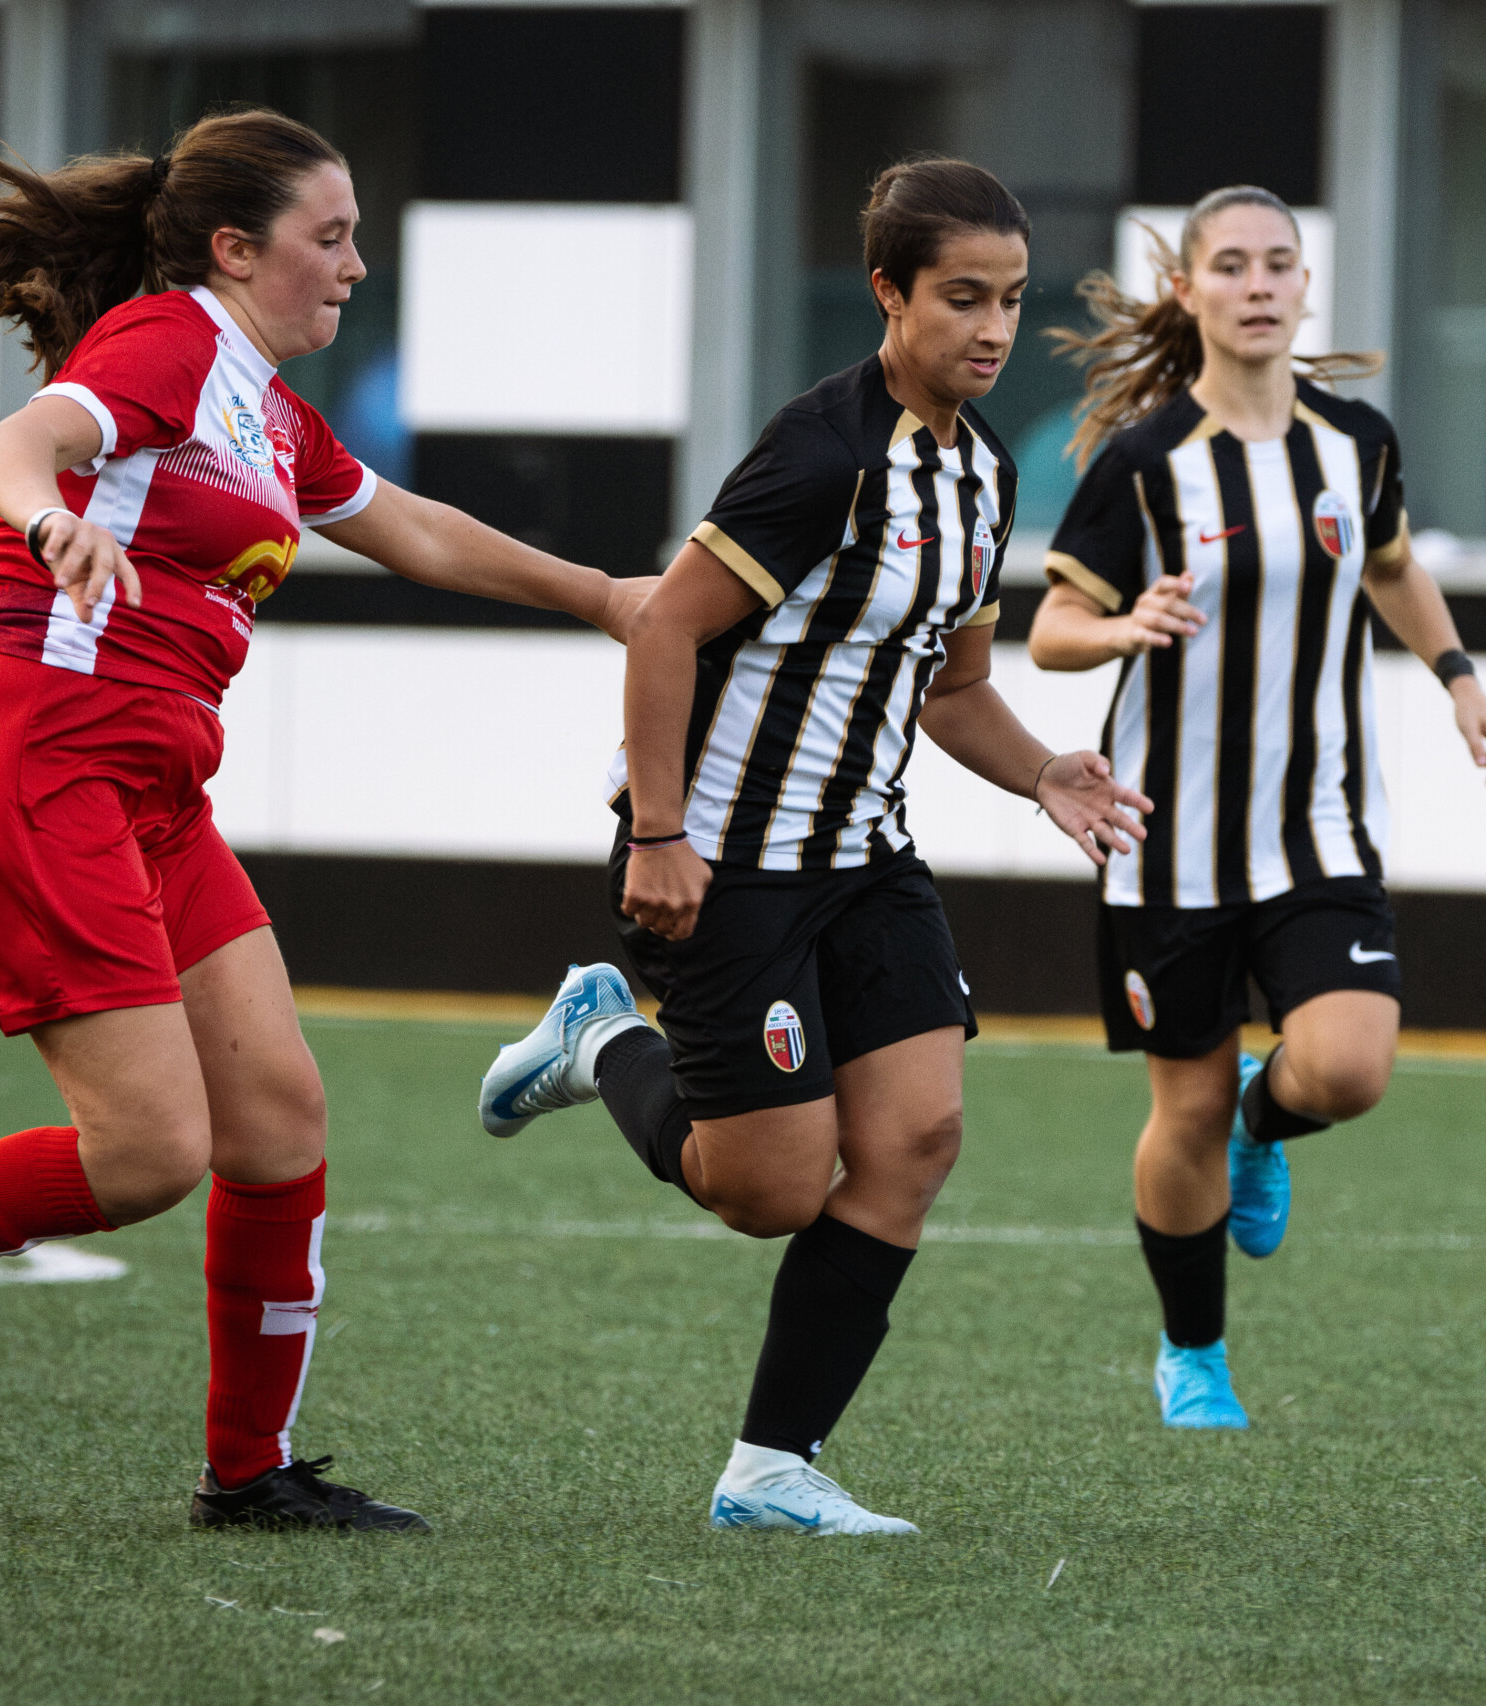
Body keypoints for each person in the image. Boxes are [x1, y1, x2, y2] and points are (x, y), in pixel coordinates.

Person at [0, 112, 655, 1529]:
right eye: (329, 239)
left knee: (275, 1120)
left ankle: (248, 1475)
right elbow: (21, 439)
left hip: (148, 788)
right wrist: (41, 518)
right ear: (232, 249)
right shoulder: (171, 343)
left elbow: (416, 527)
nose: (356, 266)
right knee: (147, 1153)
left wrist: (609, 598)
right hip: (39, 755)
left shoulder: (263, 404)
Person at [475, 158, 1147, 1535]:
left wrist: (1046, 775)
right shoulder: (821, 455)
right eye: (963, 297)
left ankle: (773, 1467)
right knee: (769, 1189)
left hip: (869, 857)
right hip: (724, 860)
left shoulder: (980, 471)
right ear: (889, 291)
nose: (993, 328)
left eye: (1012, 301)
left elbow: (950, 685)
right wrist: (657, 832)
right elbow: (665, 624)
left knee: (918, 1135)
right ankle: (603, 1039)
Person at [1026, 186, 1486, 1430]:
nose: (1257, 283)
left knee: (1349, 1067)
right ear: (1188, 292)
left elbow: (1392, 568)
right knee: (1174, 1110)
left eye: (1278, 264)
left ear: (1304, 289)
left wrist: (1459, 679)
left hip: (1319, 830)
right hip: (1169, 844)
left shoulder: (1357, 444)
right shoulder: (1144, 465)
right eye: (1230, 265)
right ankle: (1193, 1355)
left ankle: (1266, 1120)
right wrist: (1121, 625)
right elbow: (1047, 630)